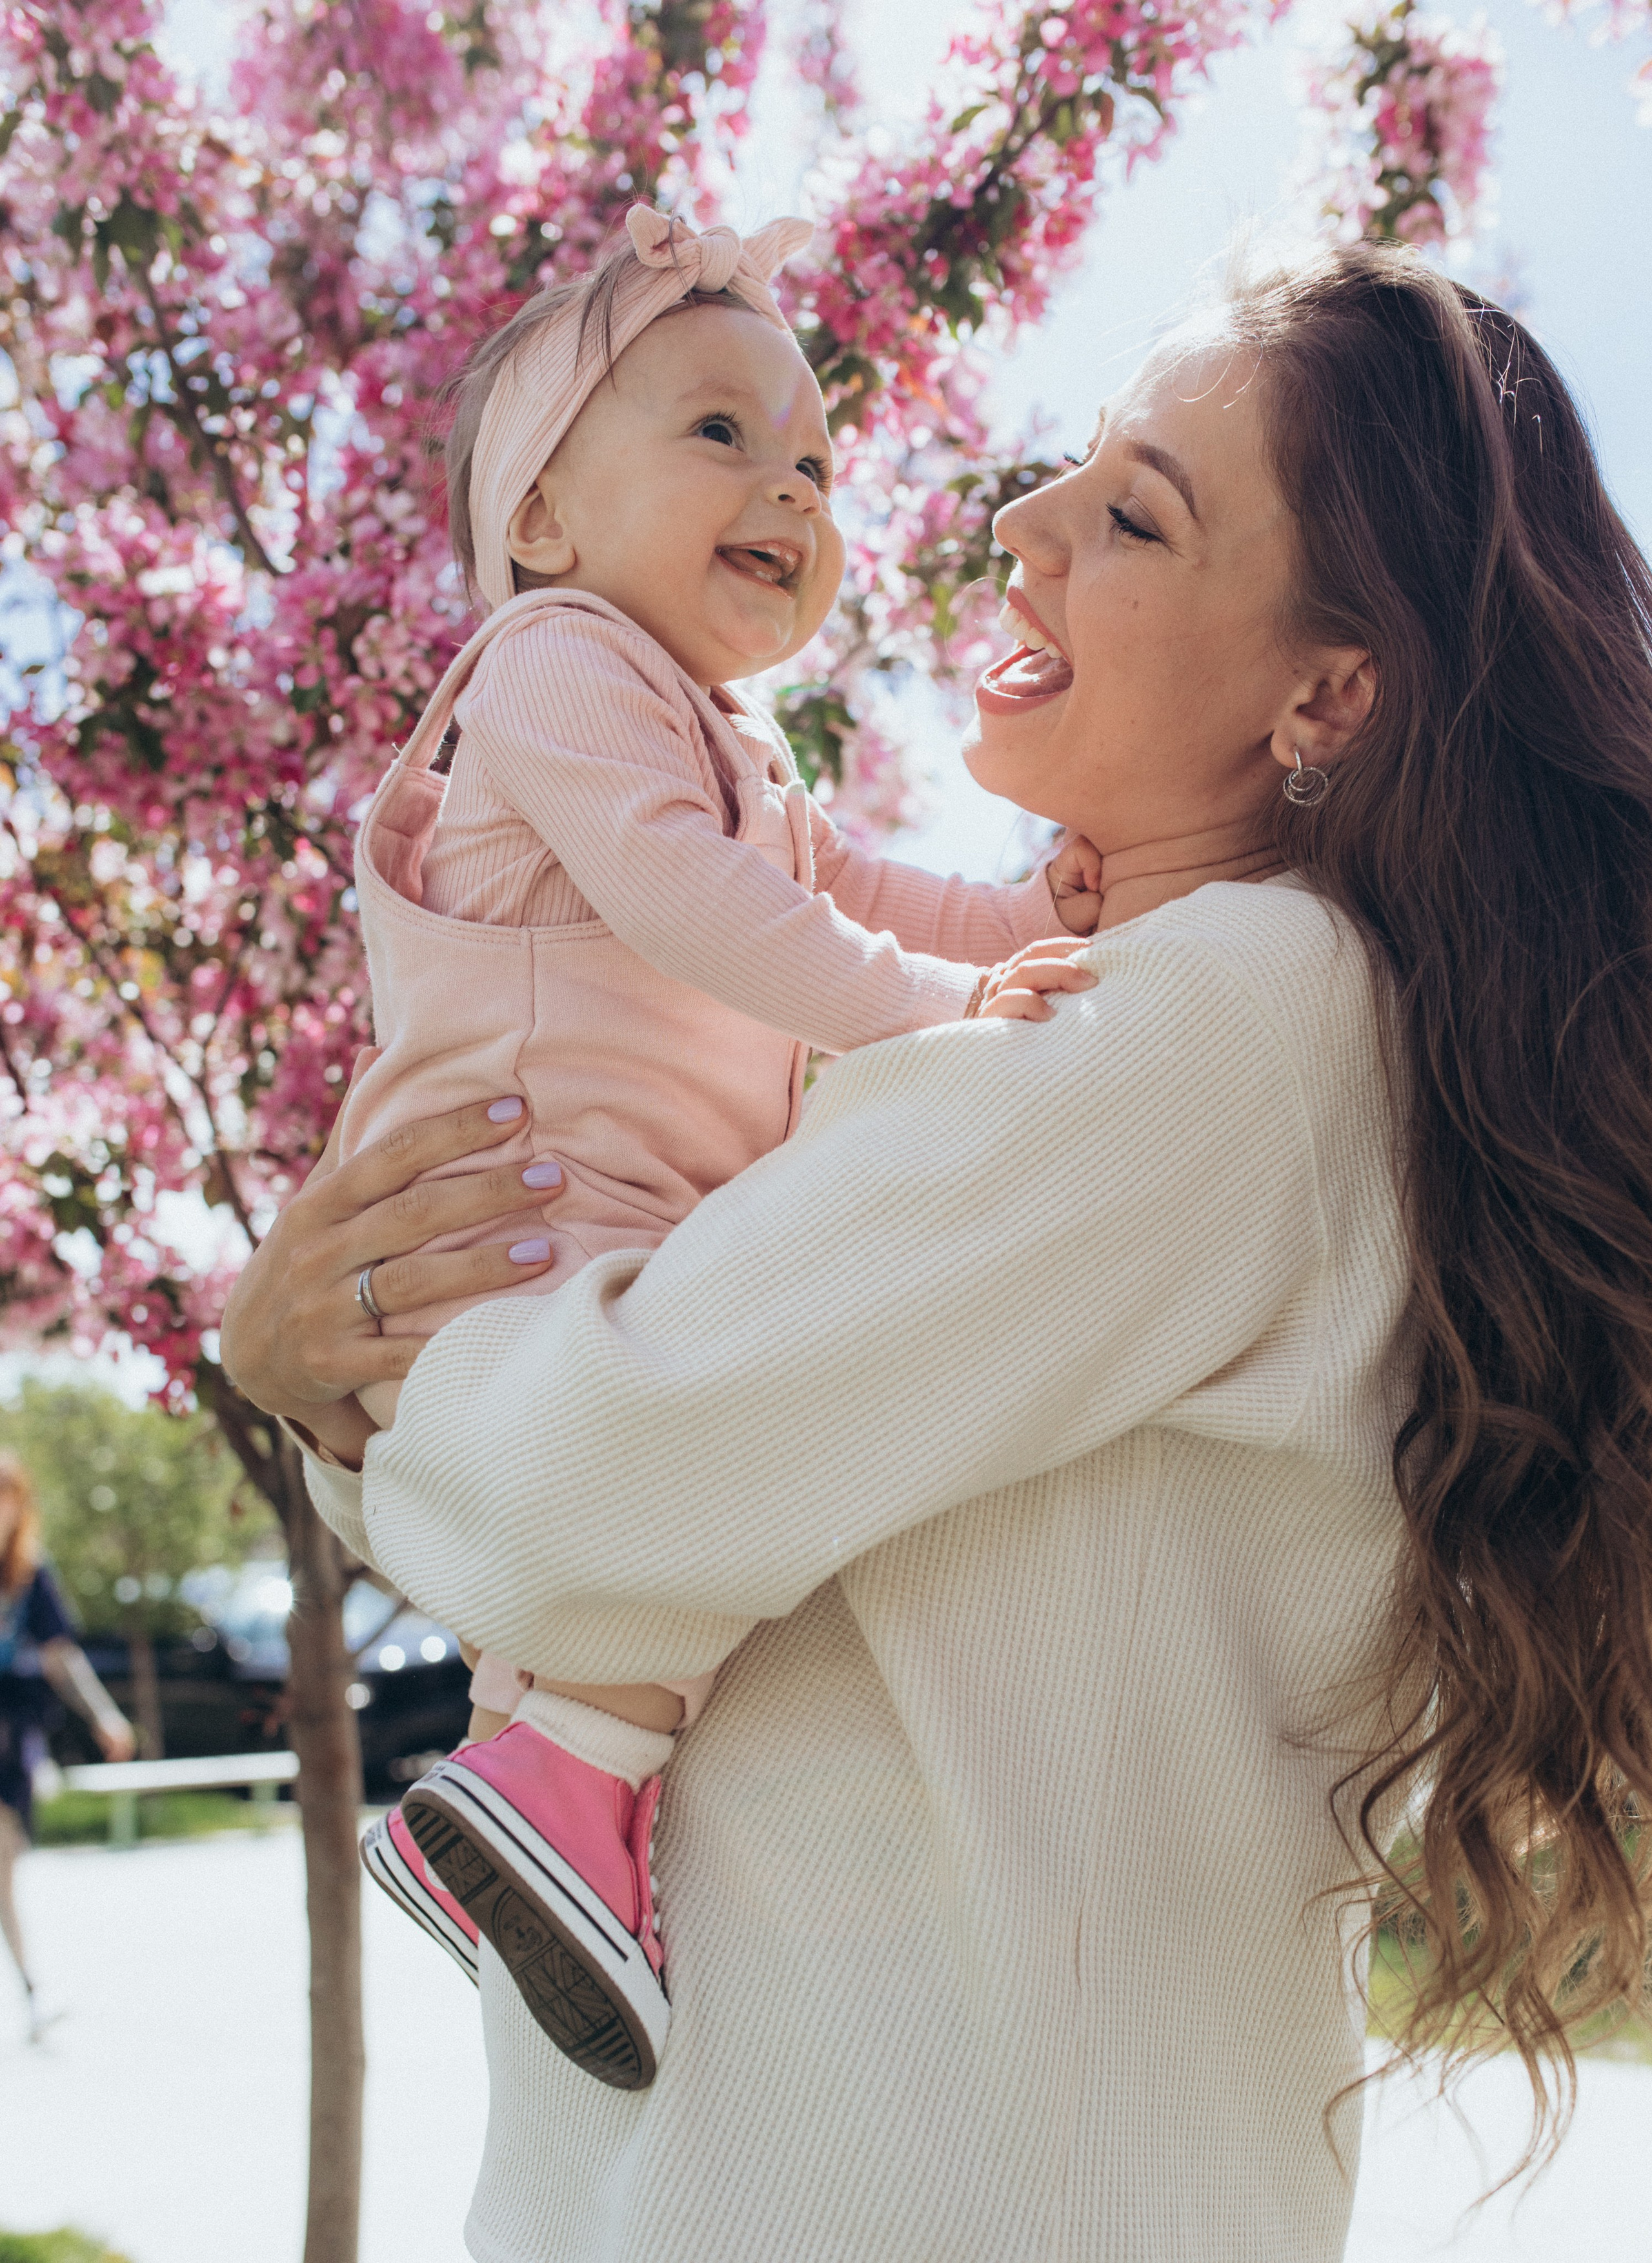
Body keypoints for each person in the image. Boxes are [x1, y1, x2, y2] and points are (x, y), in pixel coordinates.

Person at [223, 239, 1652, 2263]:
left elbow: (570, 1485)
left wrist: (326, 1371)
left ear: (1327, 689)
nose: (1016, 521)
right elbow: (640, 1463)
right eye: (1069, 465)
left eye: (1132, 510)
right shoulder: (1166, 1007)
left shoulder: (1227, 1016)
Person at [340, 201, 1102, 2084]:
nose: (791, 483)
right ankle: (558, 1777)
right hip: (528, 1222)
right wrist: (940, 1012)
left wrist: (1035, 916)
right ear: (539, 523)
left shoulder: (734, 745)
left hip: (611, 1242)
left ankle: (544, 1809)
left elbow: (857, 884)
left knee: (640, 1568)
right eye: (718, 434)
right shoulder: (552, 664)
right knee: (736, 1447)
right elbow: (698, 910)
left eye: (817, 457)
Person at [0, 1450, 136, 2040]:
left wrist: (105, 1715)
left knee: (4, 1859)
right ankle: (32, 1986)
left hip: (10, 1740)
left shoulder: (31, 1576)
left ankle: (32, 1989)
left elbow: (61, 1655)